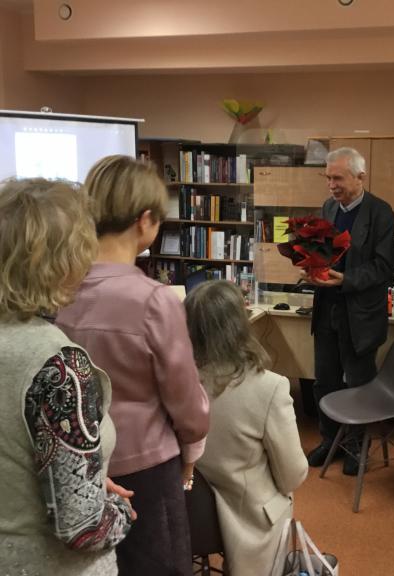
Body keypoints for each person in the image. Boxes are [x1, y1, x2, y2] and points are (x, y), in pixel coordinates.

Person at [56, 155, 210, 576]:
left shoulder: (57, 292)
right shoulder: (154, 300)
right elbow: (187, 405)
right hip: (147, 471)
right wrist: (192, 454)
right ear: (145, 221)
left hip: (75, 469)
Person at [0, 178, 134, 575]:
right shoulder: (58, 366)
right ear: (66, 261)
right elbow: (81, 529)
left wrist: (84, 484)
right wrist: (120, 509)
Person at [184, 280, 308, 576]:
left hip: (184, 517)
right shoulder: (270, 388)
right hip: (248, 521)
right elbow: (293, 475)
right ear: (241, 325)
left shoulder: (173, 383)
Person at [306, 147, 394, 476]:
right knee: (324, 381)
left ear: (360, 177)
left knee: (357, 383)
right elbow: (322, 251)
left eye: (338, 177)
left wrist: (346, 279)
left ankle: (356, 446)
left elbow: (384, 267)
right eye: (328, 177)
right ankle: (330, 440)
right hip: (327, 309)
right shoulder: (328, 208)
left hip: (360, 313)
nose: (331, 184)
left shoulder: (381, 213)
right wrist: (311, 266)